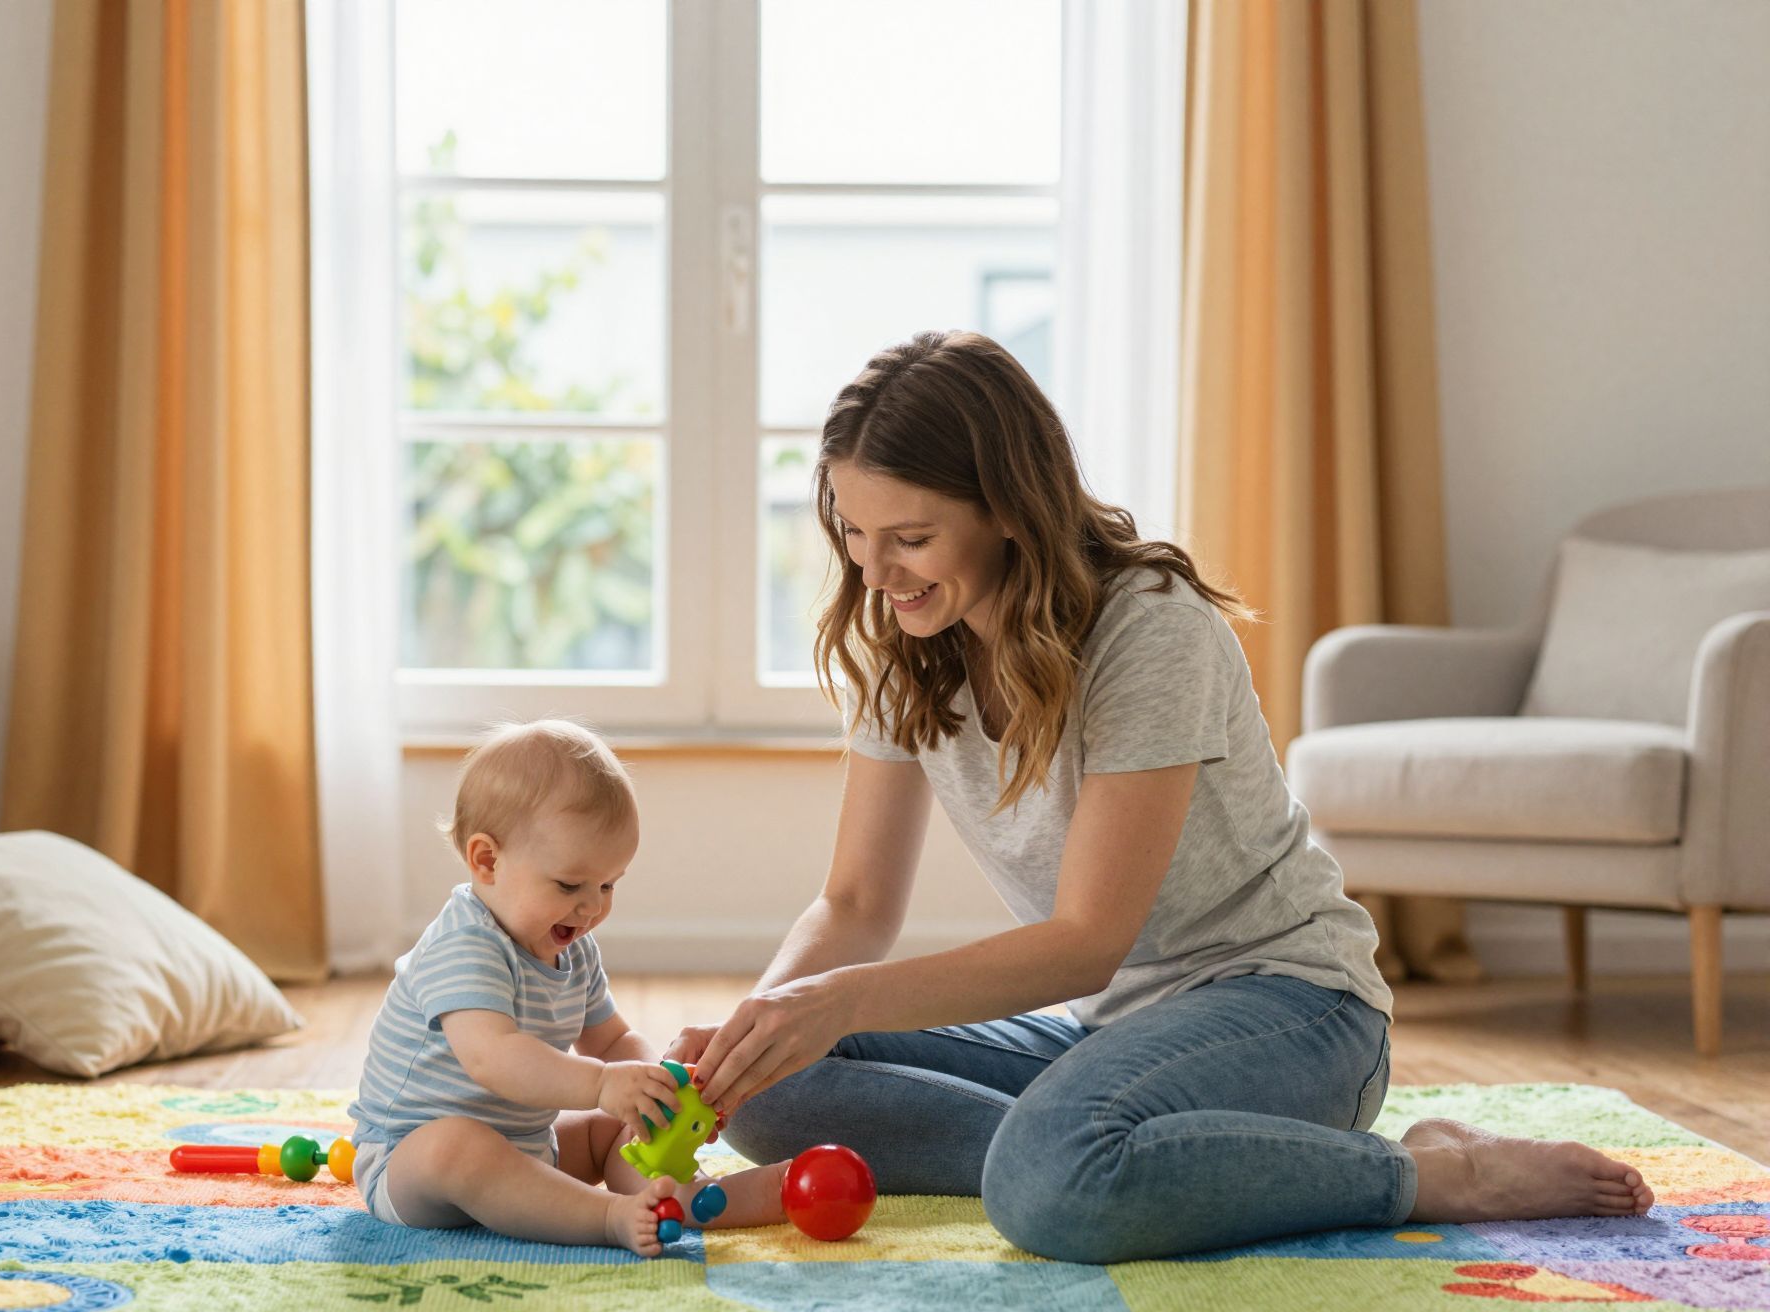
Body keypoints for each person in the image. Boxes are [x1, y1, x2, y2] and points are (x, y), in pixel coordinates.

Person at [671, 330, 1654, 1264]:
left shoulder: (1147, 629)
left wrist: (836, 1001)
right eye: (850, 532)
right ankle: (1123, 1155)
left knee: (1043, 1184)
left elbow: (1086, 938)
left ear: (1007, 508)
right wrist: (748, 1038)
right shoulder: (912, 650)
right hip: (1118, 1034)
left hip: (1295, 1013)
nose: (872, 572)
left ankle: (1431, 1174)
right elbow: (852, 905)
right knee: (773, 1090)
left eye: (910, 537)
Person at [348, 720, 786, 1256]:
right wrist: (603, 1084)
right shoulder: (463, 945)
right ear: (487, 861)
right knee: (459, 1145)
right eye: (569, 885)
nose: (592, 906)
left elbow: (611, 1041)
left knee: (612, 1128)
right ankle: (607, 1218)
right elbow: (496, 1059)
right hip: (410, 1163)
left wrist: (656, 1091)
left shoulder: (572, 949)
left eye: (608, 885)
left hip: (530, 1149)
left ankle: (690, 1201)